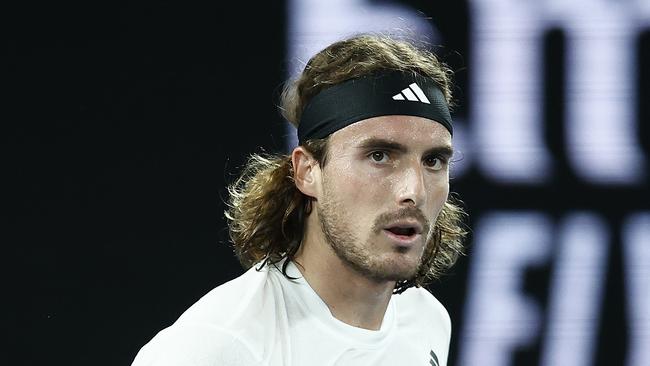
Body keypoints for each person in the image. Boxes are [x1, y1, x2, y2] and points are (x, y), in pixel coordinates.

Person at [131, 32, 468, 366]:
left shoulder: (427, 320)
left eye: (433, 161)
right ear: (308, 171)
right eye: (379, 156)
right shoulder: (218, 346)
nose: (415, 191)